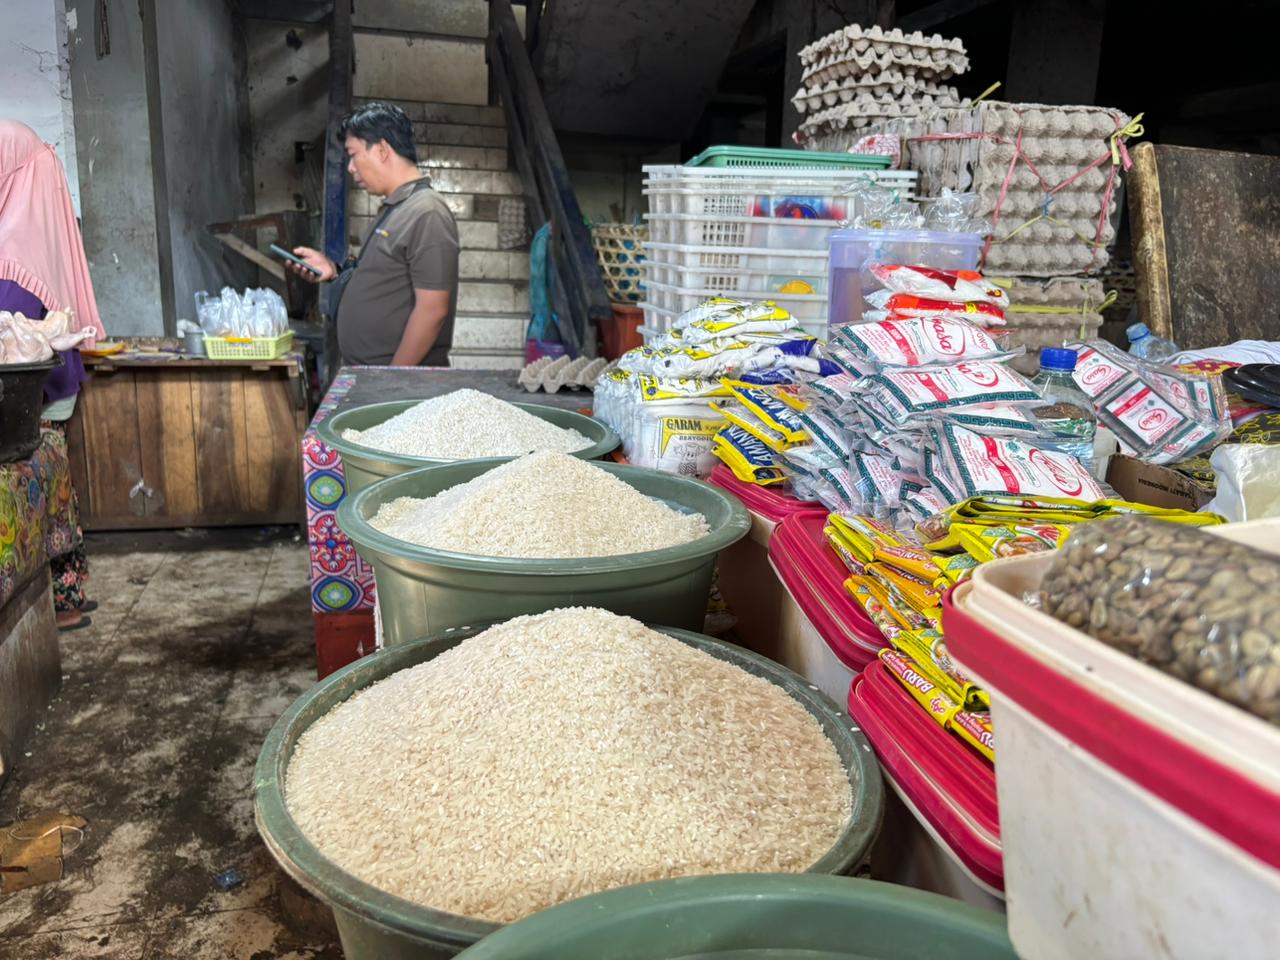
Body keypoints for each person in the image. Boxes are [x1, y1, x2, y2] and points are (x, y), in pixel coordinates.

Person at [0, 119, 106, 631]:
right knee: (59, 493)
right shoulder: (39, 235)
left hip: (28, 401)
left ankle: (57, 602)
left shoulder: (9, 257)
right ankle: (69, 594)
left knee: (39, 502)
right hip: (55, 390)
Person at [289, 102, 459, 367]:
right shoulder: (394, 208)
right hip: (373, 374)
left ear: (381, 150)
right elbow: (382, 277)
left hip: (400, 386)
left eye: (353, 154)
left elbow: (433, 310)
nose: (350, 168)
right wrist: (334, 270)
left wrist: (390, 379)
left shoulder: (426, 212)